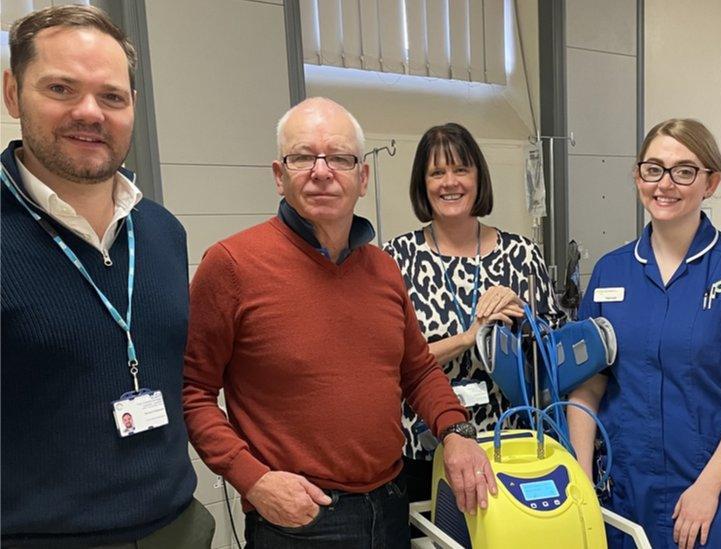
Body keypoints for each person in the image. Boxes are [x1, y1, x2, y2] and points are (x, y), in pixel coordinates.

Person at [182, 98, 497, 548]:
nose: (322, 171)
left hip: (390, 506)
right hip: (299, 521)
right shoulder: (232, 266)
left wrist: (457, 431)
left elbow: (419, 370)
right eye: (303, 156)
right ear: (279, 174)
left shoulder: (383, 270)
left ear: (362, 177)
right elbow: (191, 392)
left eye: (341, 158)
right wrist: (253, 480)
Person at [0, 5, 213, 547]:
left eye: (112, 96)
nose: (90, 112)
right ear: (12, 92)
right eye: (61, 89)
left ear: (133, 107)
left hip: (176, 527)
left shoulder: (163, 232)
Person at [568, 119, 721, 549]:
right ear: (637, 176)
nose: (665, 184)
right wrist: (579, 474)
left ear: (711, 182)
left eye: (684, 171)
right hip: (627, 486)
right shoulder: (612, 271)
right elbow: (587, 384)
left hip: (717, 490)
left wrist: (708, 488)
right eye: (653, 169)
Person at [383, 122, 562, 504]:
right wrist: (469, 337)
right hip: (424, 448)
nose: (450, 182)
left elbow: (552, 354)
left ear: (479, 176)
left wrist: (523, 314)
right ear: (423, 184)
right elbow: (388, 362)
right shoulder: (394, 260)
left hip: (509, 443)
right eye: (437, 172)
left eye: (461, 169)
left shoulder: (522, 256)